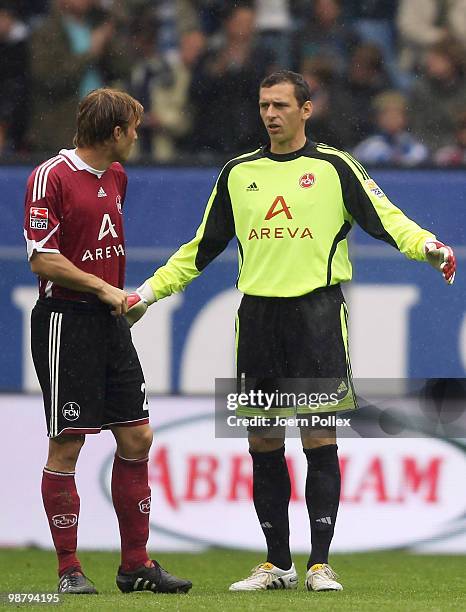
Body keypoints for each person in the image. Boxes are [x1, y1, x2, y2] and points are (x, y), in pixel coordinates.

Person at [125, 70, 456, 592]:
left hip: (317, 317)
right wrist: (145, 293)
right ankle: (277, 564)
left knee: (319, 437)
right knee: (262, 442)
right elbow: (199, 250)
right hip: (257, 319)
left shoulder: (333, 167)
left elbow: (387, 219)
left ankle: (320, 563)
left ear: (307, 109)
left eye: (281, 105)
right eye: (263, 106)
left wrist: (429, 246)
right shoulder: (238, 172)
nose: (271, 114)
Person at [23, 88, 192, 596]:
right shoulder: (50, 176)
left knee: (137, 436)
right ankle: (69, 570)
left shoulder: (117, 177)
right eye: (134, 128)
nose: (138, 136)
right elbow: (42, 258)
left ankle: (135, 566)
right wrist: (103, 289)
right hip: (65, 323)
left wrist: (121, 305)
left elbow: (99, 250)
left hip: (109, 324)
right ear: (115, 132)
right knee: (69, 442)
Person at [352, 90, 429, 166]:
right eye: (387, 114)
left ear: (405, 118)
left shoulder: (416, 147)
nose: (392, 118)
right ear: (378, 118)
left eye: (397, 114)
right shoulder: (368, 147)